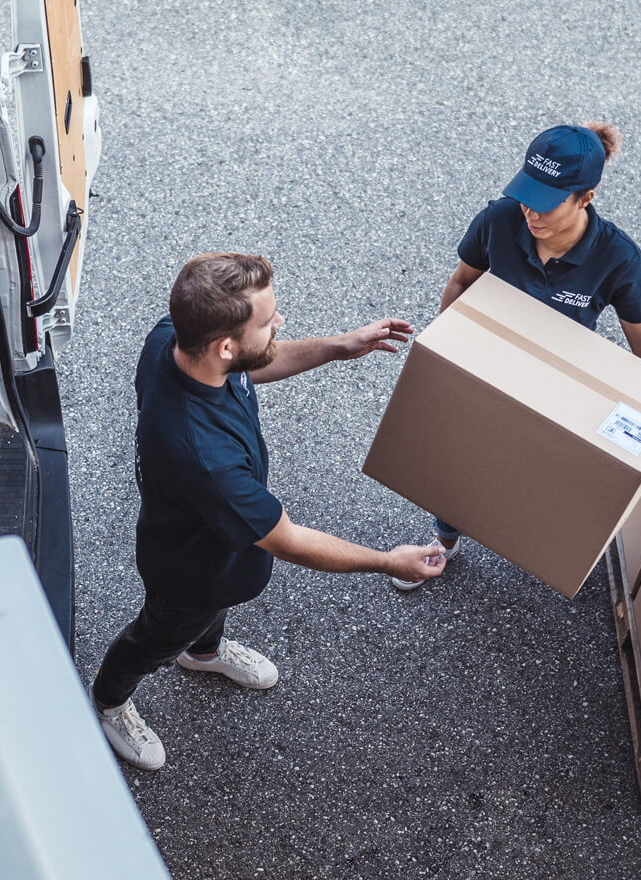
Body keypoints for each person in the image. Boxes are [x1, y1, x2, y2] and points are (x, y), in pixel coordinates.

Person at [90, 252, 446, 769]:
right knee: (159, 633)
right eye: (268, 319)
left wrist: (338, 346)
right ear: (225, 344)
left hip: (222, 546)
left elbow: (253, 365)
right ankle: (109, 700)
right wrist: (391, 562)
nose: (280, 322)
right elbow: (288, 540)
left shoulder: (173, 339)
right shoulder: (206, 460)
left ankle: (204, 654)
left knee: (208, 615)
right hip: (190, 571)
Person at [392, 122, 641, 591]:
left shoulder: (618, 258)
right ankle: (445, 538)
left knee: (534, 469)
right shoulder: (499, 220)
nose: (530, 210)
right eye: (527, 192)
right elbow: (461, 281)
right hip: (488, 365)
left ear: (585, 198)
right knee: (461, 460)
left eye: (548, 200)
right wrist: (447, 348)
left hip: (559, 382)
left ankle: (535, 545)